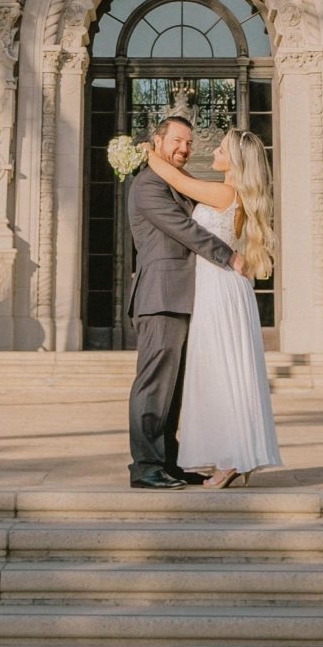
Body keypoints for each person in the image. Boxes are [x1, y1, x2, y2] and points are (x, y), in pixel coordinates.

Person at [142, 124, 282, 489]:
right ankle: (234, 456)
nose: (211, 152)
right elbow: (183, 178)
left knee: (221, 373)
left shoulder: (223, 194)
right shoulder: (231, 192)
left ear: (234, 160)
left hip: (218, 287)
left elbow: (174, 177)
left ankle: (230, 461)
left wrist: (146, 151)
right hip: (221, 286)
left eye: (219, 149)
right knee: (225, 371)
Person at [125, 111, 239, 490]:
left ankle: (169, 463)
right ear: (157, 141)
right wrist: (228, 255)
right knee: (154, 386)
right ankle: (145, 467)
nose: (185, 149)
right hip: (160, 297)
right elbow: (185, 229)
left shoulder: (176, 182)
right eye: (177, 141)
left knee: (173, 389)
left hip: (185, 297)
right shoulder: (147, 186)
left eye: (189, 143)